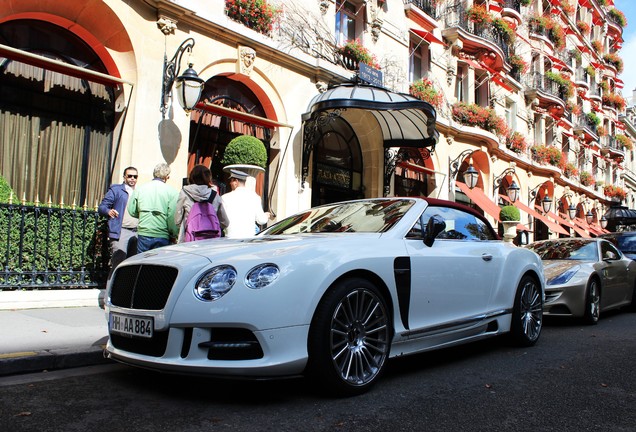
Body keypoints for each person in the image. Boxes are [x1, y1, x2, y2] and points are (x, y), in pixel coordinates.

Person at [128, 163, 179, 253]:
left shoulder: (140, 189)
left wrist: (142, 215)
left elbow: (132, 210)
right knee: (158, 265)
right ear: (166, 176)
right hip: (162, 234)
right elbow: (172, 217)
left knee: (142, 263)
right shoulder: (172, 192)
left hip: (144, 232)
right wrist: (174, 234)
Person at [98, 166, 139, 277]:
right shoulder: (116, 190)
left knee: (133, 265)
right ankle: (110, 292)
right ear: (124, 177)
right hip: (121, 231)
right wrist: (108, 211)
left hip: (137, 232)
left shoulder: (139, 192)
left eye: (135, 176)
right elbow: (101, 207)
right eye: (129, 176)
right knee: (118, 264)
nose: (132, 179)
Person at [175, 164, 229, 243]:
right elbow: (225, 223)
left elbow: (177, 220)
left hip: (189, 242)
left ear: (192, 177)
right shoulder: (214, 196)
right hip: (211, 242)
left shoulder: (184, 193)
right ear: (208, 178)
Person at [222, 169, 271, 238]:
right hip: (249, 239)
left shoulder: (225, 198)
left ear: (236, 181)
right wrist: (266, 216)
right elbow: (261, 220)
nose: (230, 183)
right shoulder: (255, 197)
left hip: (230, 238)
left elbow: (222, 221)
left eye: (231, 181)